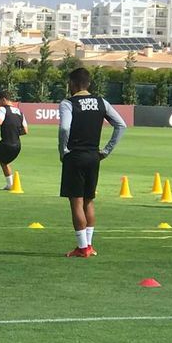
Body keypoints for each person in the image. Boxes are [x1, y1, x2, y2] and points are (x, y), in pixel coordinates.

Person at [58, 68, 126, 258]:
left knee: (76, 202)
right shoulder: (101, 102)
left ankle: (82, 248)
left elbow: (64, 128)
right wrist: (106, 150)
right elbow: (121, 125)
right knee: (89, 200)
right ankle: (89, 245)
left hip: (75, 156)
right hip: (94, 156)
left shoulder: (68, 103)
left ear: (72, 83)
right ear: (88, 84)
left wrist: (63, 149)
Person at [0, 91, 29, 191]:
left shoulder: (3, 109)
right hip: (17, 146)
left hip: (6, 144)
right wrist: (14, 133)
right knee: (4, 161)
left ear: (4, 99)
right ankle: (10, 185)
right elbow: (25, 131)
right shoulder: (20, 112)